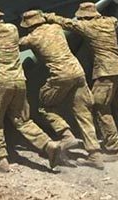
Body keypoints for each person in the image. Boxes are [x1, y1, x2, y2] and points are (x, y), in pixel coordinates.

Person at [45, 2, 118, 160]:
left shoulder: (87, 26)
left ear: (84, 16)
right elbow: (115, 19)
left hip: (106, 72)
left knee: (101, 107)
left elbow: (68, 23)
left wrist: (49, 16)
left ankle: (113, 149)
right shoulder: (110, 22)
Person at [0, 4, 61, 173]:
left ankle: (0, 159)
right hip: (19, 81)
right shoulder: (12, 29)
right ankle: (48, 145)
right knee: (23, 120)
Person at [18, 10, 104, 169]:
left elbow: (13, 44)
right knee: (83, 112)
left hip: (60, 76)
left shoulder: (32, 38)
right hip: (78, 72)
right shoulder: (56, 28)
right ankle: (95, 155)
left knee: (45, 106)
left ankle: (66, 135)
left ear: (28, 25)